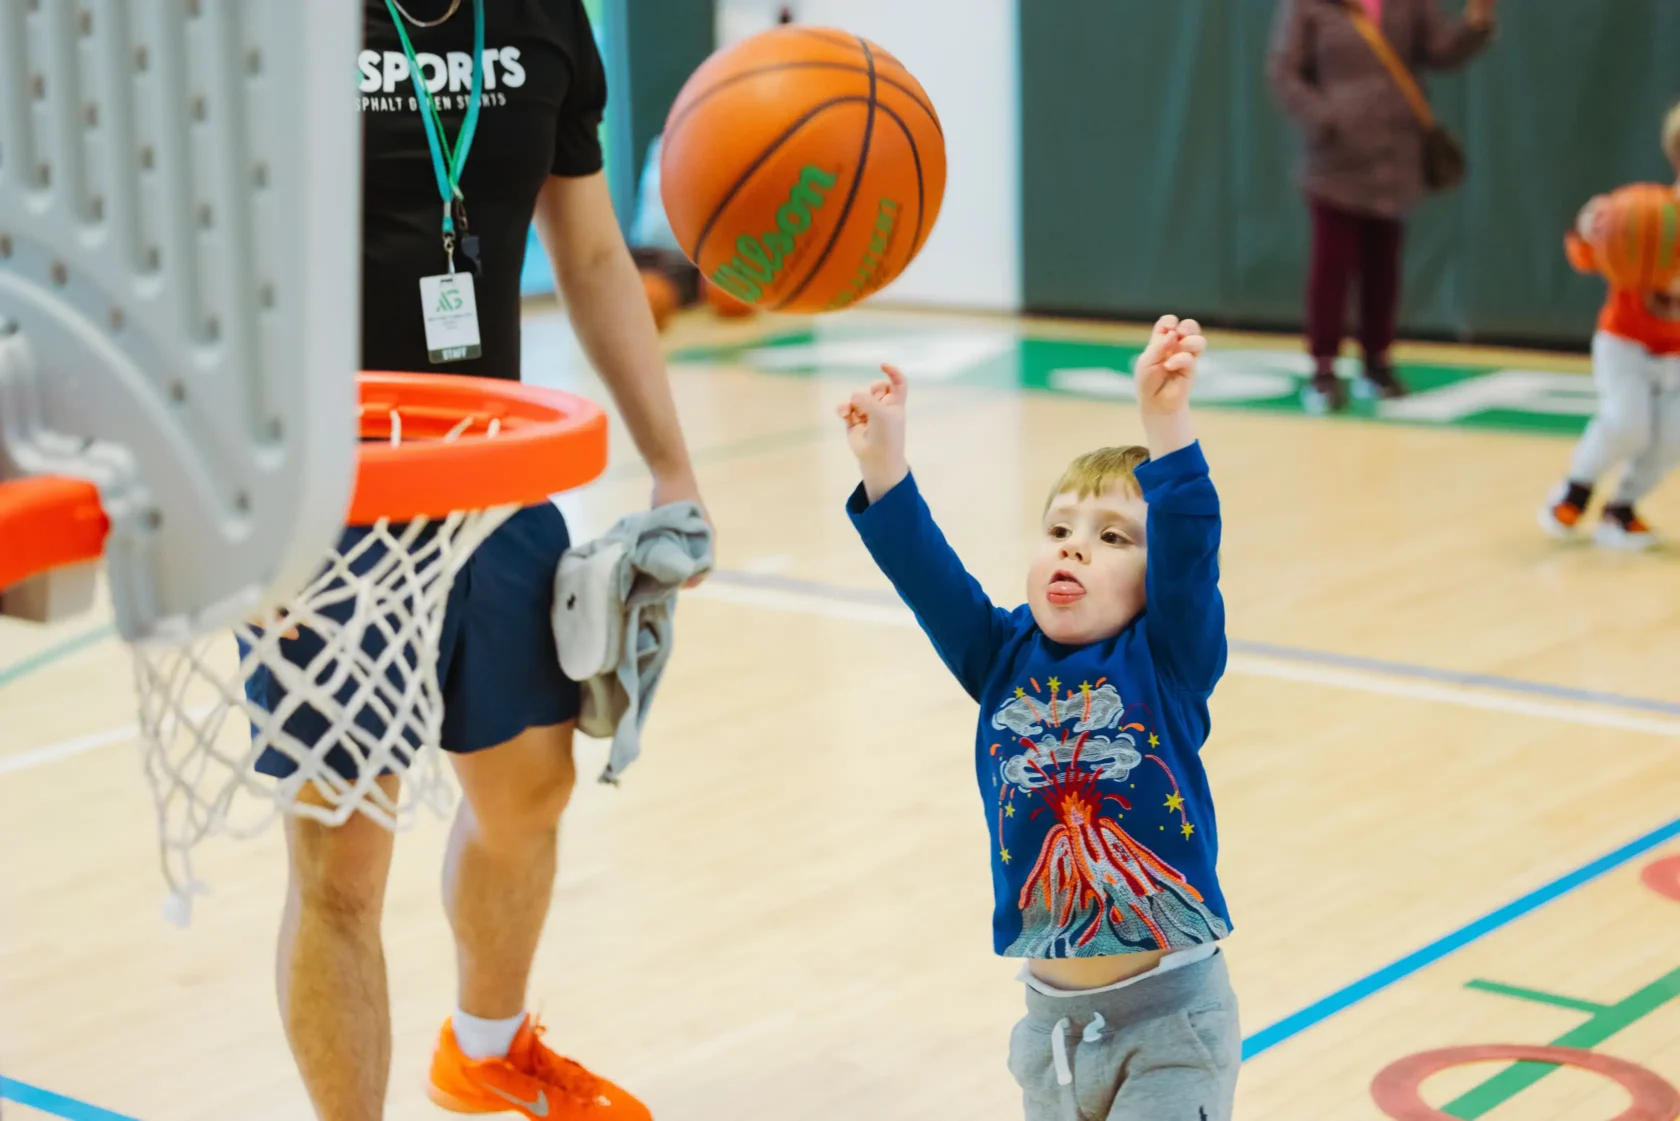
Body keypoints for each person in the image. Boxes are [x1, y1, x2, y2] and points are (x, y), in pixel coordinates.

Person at [250, 3, 707, 1119]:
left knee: (529, 790)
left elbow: (593, 250)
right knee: (342, 869)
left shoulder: (548, 14)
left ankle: (486, 1049)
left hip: (492, 476)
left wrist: (672, 466)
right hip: (326, 494)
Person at [837, 317, 1240, 1120]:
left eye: (1112, 536)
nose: (1074, 549)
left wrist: (1165, 421)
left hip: (1170, 1024)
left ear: (1155, 582)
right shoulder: (998, 655)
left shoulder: (1169, 659)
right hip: (1050, 1030)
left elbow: (1192, 550)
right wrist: (883, 461)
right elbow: (925, 570)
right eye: (1059, 529)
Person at [1268, 0, 1496, 411]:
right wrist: (1325, 119)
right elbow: (1284, 70)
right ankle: (1323, 369)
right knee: (1331, 266)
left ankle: (1377, 363)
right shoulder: (1308, 5)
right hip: (1335, 161)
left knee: (1383, 264)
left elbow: (1441, 51)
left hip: (1395, 156)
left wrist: (1475, 23)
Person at [1540, 103, 1680, 550]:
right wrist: (1585, 229)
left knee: (1673, 437)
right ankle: (1575, 489)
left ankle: (1621, 510)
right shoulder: (1642, 211)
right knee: (1627, 422)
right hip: (1626, 341)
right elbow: (1584, 255)